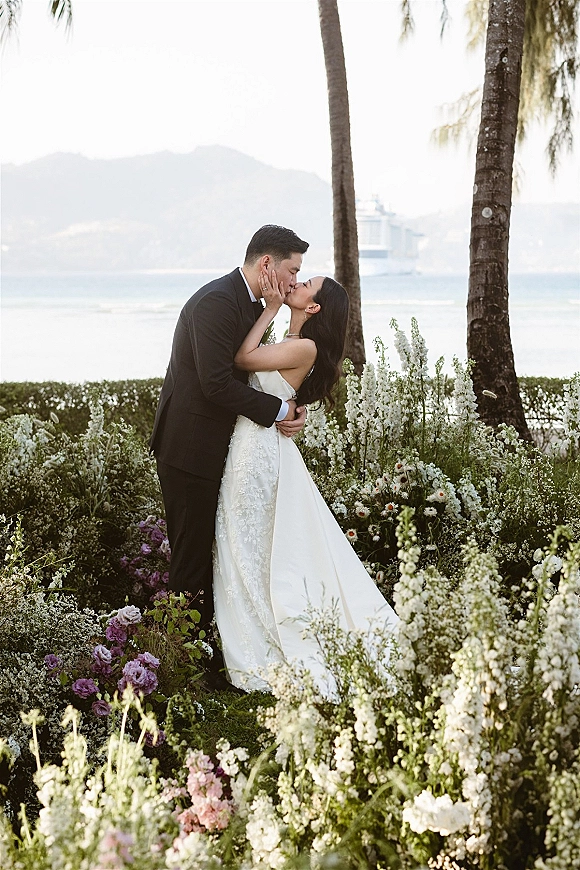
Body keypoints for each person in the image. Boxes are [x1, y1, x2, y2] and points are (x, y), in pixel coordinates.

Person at [213, 269, 399, 693]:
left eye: (304, 285)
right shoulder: (294, 343)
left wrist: (272, 306)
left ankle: (261, 639)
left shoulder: (304, 345)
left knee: (244, 543)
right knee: (245, 543)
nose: (294, 283)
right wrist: (291, 405)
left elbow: (243, 359)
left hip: (256, 451)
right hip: (253, 444)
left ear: (312, 307)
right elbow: (273, 386)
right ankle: (253, 632)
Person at [150, 225, 309, 687]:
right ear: (267, 265)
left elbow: (251, 368)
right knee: (191, 556)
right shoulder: (218, 303)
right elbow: (215, 383)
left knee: (208, 553)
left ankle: (206, 654)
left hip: (215, 448)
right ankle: (183, 667)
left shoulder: (251, 305)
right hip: (189, 450)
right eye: (292, 269)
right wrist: (277, 410)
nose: (296, 277)